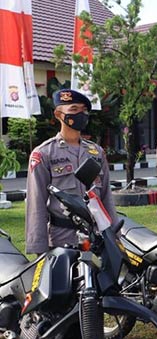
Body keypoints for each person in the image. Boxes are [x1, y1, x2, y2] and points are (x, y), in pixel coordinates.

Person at [25, 89, 117, 255]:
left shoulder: (96, 152)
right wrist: (39, 250)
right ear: (58, 114)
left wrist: (114, 235)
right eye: (74, 110)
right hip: (62, 240)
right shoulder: (44, 154)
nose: (80, 114)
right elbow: (36, 204)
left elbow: (106, 197)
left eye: (83, 110)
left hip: (96, 239)